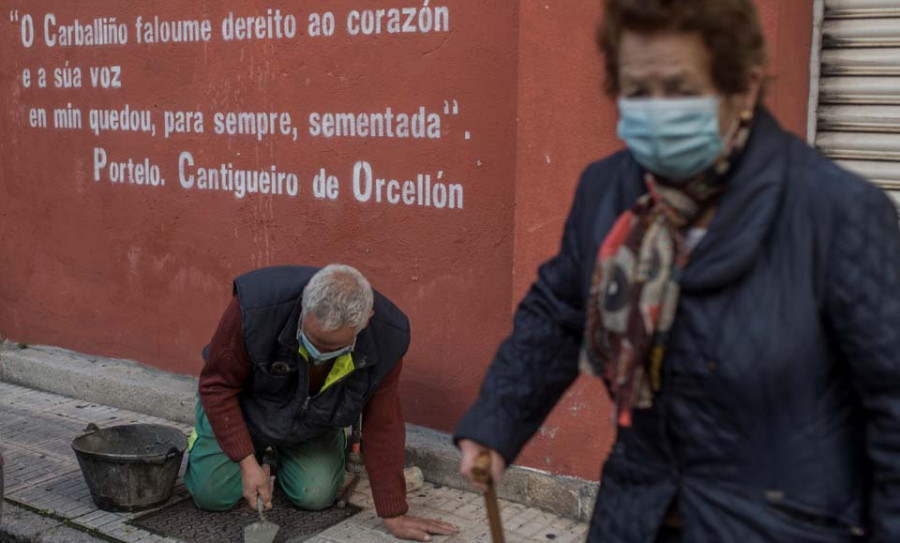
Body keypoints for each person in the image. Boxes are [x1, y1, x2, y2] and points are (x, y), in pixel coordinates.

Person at [455, 0, 900, 541]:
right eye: (639, 91)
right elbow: (559, 312)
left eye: (681, 88)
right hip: (637, 514)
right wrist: (495, 426)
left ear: (744, 89)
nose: (658, 110)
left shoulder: (836, 212)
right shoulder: (608, 191)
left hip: (783, 521)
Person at [185, 264, 457, 542]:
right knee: (212, 494)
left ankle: (281, 456)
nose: (319, 354)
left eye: (334, 348)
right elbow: (216, 386)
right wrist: (245, 462)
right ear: (305, 300)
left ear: (364, 322)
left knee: (315, 495)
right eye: (314, 341)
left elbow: (383, 423)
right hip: (244, 410)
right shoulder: (254, 307)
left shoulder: (387, 337)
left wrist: (394, 512)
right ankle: (247, 452)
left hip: (314, 420)